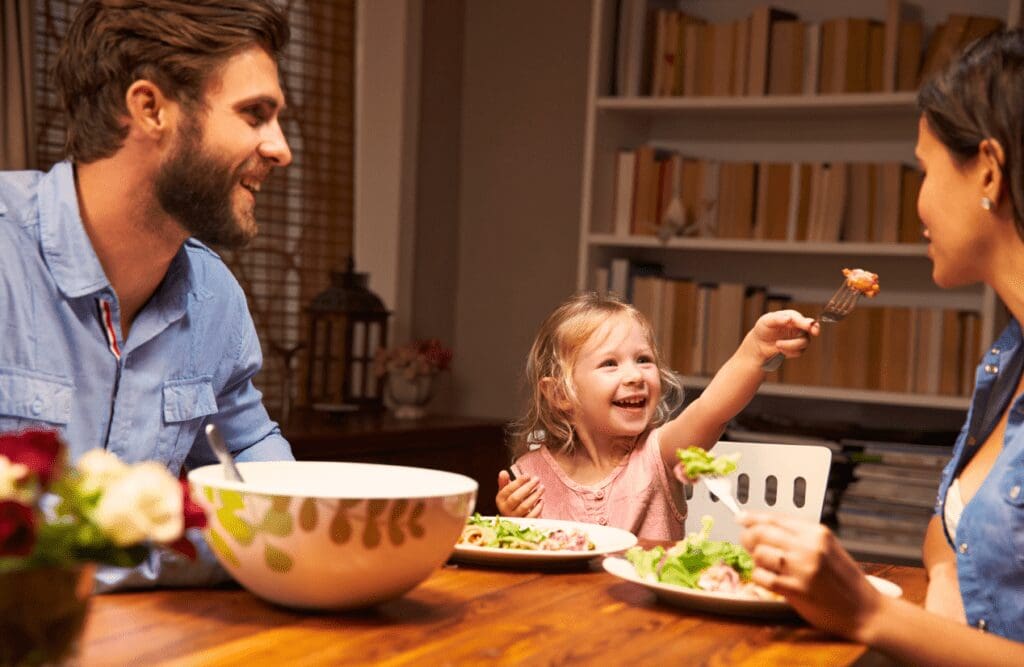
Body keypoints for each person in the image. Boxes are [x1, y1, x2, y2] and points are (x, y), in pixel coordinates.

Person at [739, 29, 1024, 664]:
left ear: (988, 169)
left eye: (923, 170)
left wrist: (867, 613)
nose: (917, 203)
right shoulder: (1008, 361)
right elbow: (947, 538)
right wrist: (944, 586)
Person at [0, 0, 294, 590]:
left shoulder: (217, 300)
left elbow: (271, 514)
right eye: (254, 114)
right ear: (150, 107)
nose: (281, 148)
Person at [494, 291, 817, 539]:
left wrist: (755, 350)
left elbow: (712, 409)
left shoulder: (660, 453)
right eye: (610, 363)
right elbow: (525, 559)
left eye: (644, 360)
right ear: (561, 394)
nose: (635, 376)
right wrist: (513, 523)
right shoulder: (530, 473)